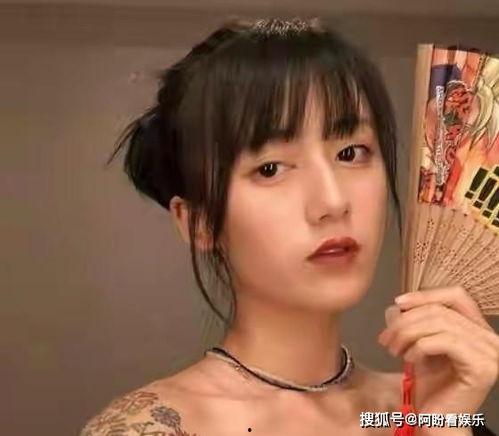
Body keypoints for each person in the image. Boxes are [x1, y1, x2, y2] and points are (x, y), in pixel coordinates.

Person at [80, 17, 498, 436]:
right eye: (270, 168)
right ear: (199, 223)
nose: (332, 202)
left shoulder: (432, 409)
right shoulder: (148, 427)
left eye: (351, 153)